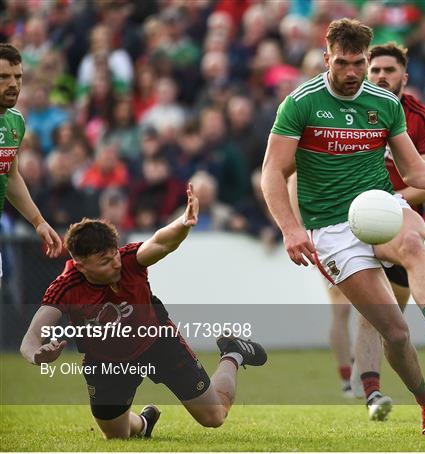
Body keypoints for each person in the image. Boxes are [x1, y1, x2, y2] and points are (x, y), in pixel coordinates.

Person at [261, 18, 425, 436]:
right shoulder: (300, 103)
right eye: (343, 63)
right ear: (327, 58)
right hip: (330, 229)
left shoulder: (385, 104)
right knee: (396, 334)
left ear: (368, 59)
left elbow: (414, 170)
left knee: (414, 240)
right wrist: (290, 229)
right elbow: (272, 172)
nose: (352, 73)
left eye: (359, 64)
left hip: (378, 207)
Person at [20, 184, 267, 439]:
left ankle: (233, 353)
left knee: (213, 417)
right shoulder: (65, 288)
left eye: (114, 253)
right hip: (106, 362)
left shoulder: (129, 261)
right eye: (104, 262)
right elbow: (29, 340)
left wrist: (183, 222)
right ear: (80, 266)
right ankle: (145, 423)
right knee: (117, 436)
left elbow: (162, 241)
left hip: (157, 342)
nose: (115, 263)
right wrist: (37, 355)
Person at [350, 42, 425, 421]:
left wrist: (387, 201)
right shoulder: (343, 111)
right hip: (347, 224)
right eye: (375, 69)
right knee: (368, 314)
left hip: (393, 221)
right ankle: (372, 392)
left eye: (389, 71)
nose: (380, 76)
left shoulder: (421, 119)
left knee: (391, 324)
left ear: (404, 77)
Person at [0, 43, 62, 277]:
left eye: (18, 77)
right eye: (4, 77)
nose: (13, 84)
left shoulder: (16, 121)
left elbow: (11, 176)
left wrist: (38, 222)